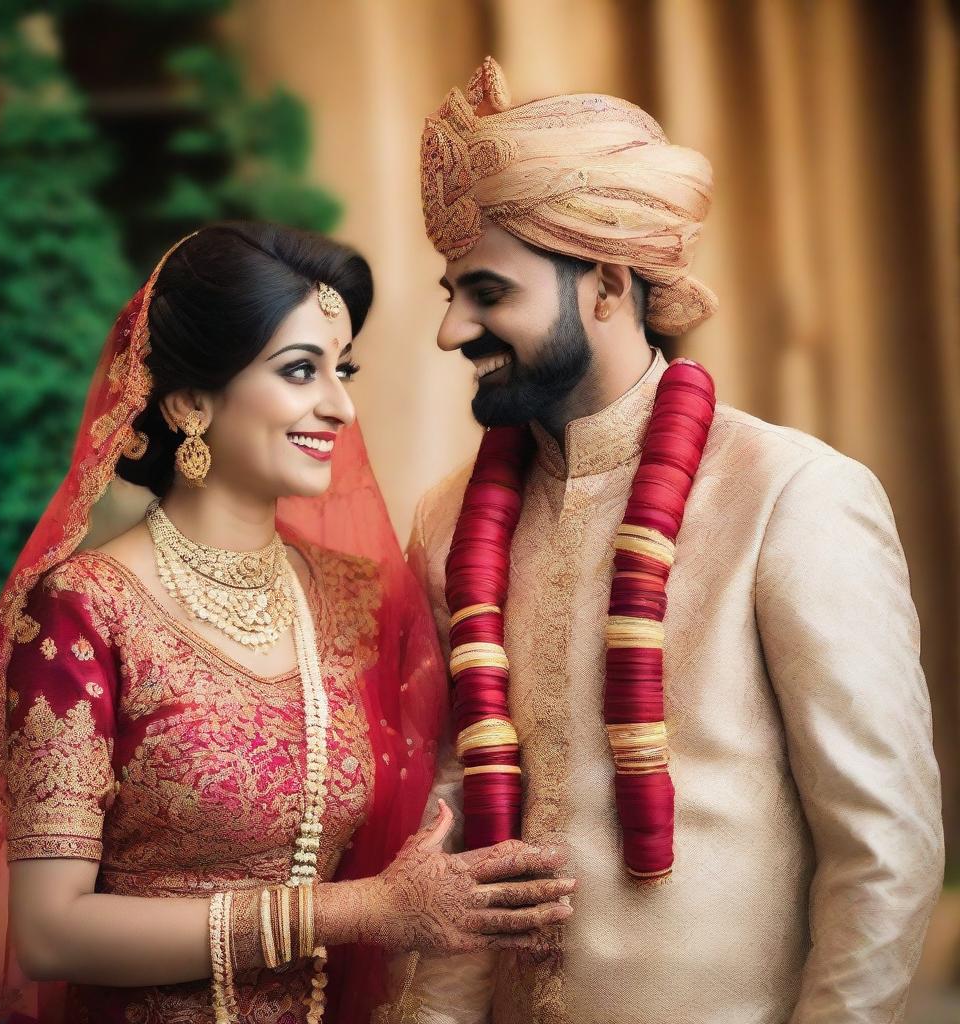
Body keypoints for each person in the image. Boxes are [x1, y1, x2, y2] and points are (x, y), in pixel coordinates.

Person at [384, 58, 944, 1024]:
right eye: (451, 292)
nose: (450, 330)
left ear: (605, 283)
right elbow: (455, 822)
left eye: (485, 292)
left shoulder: (790, 494)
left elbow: (881, 849)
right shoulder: (447, 520)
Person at [0, 223, 574, 1024]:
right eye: (301, 371)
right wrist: (361, 911)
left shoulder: (358, 599)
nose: (340, 407)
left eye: (343, 372)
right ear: (190, 402)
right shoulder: (84, 610)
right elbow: (50, 931)